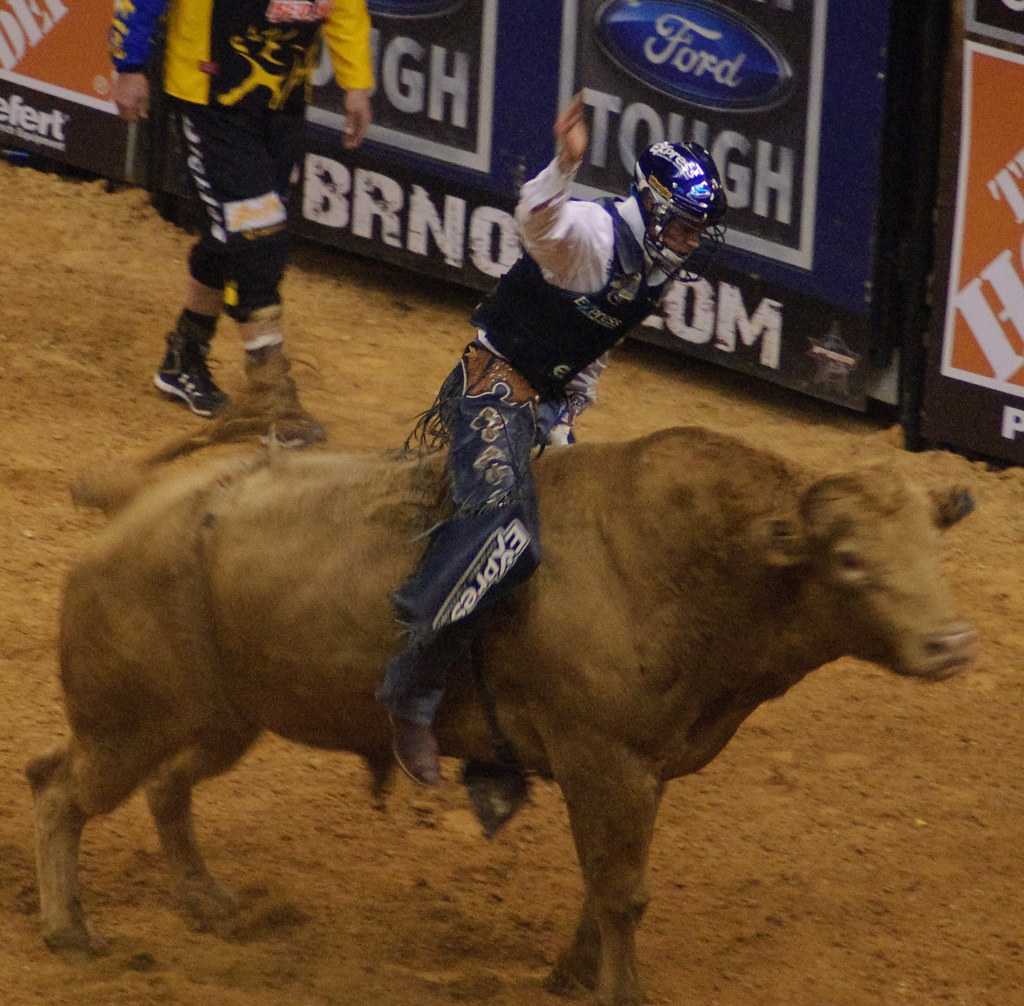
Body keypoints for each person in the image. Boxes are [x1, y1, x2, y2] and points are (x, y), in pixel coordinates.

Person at [376, 92, 728, 785]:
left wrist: (565, 423)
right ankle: (410, 692)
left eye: (697, 233)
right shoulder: (594, 235)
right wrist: (564, 166)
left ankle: (502, 710)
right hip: (492, 387)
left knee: (576, 557)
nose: (691, 244)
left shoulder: (655, 269)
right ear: (654, 207)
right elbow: (539, 224)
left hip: (545, 410)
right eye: (686, 228)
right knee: (503, 532)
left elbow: (593, 348)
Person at [110, 0, 373, 445]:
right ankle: (269, 398)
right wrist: (130, 65)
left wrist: (356, 83)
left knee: (230, 234)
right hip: (210, 102)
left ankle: (183, 357)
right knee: (259, 237)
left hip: (281, 103)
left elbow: (345, 5)